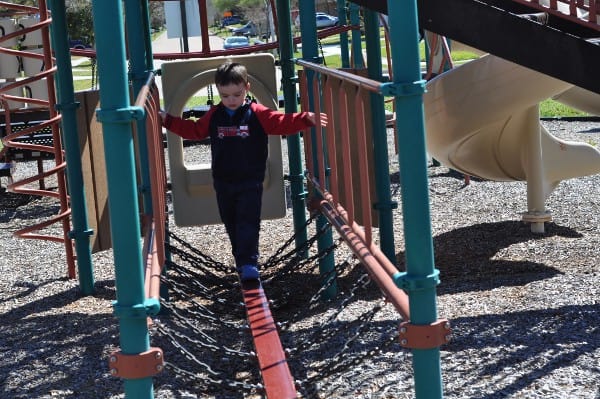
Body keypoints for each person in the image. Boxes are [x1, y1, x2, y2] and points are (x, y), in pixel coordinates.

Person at [159, 60, 328, 281]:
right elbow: (194, 130)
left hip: (250, 180)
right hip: (223, 181)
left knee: (248, 221)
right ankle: (242, 260)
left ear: (247, 89)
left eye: (236, 95)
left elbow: (280, 123)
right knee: (231, 222)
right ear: (218, 91)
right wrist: (167, 121)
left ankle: (249, 263)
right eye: (225, 95)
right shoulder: (214, 115)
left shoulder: (256, 113)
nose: (231, 100)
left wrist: (305, 119)